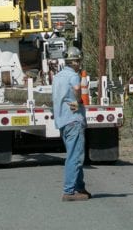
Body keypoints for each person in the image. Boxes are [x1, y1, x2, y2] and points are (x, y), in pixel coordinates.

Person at [52, 46, 90, 201]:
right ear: (74, 61)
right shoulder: (74, 76)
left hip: (62, 121)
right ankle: (69, 191)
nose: (79, 63)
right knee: (75, 157)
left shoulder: (57, 77)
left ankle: (80, 187)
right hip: (73, 120)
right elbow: (76, 88)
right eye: (78, 60)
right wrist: (79, 100)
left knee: (74, 154)